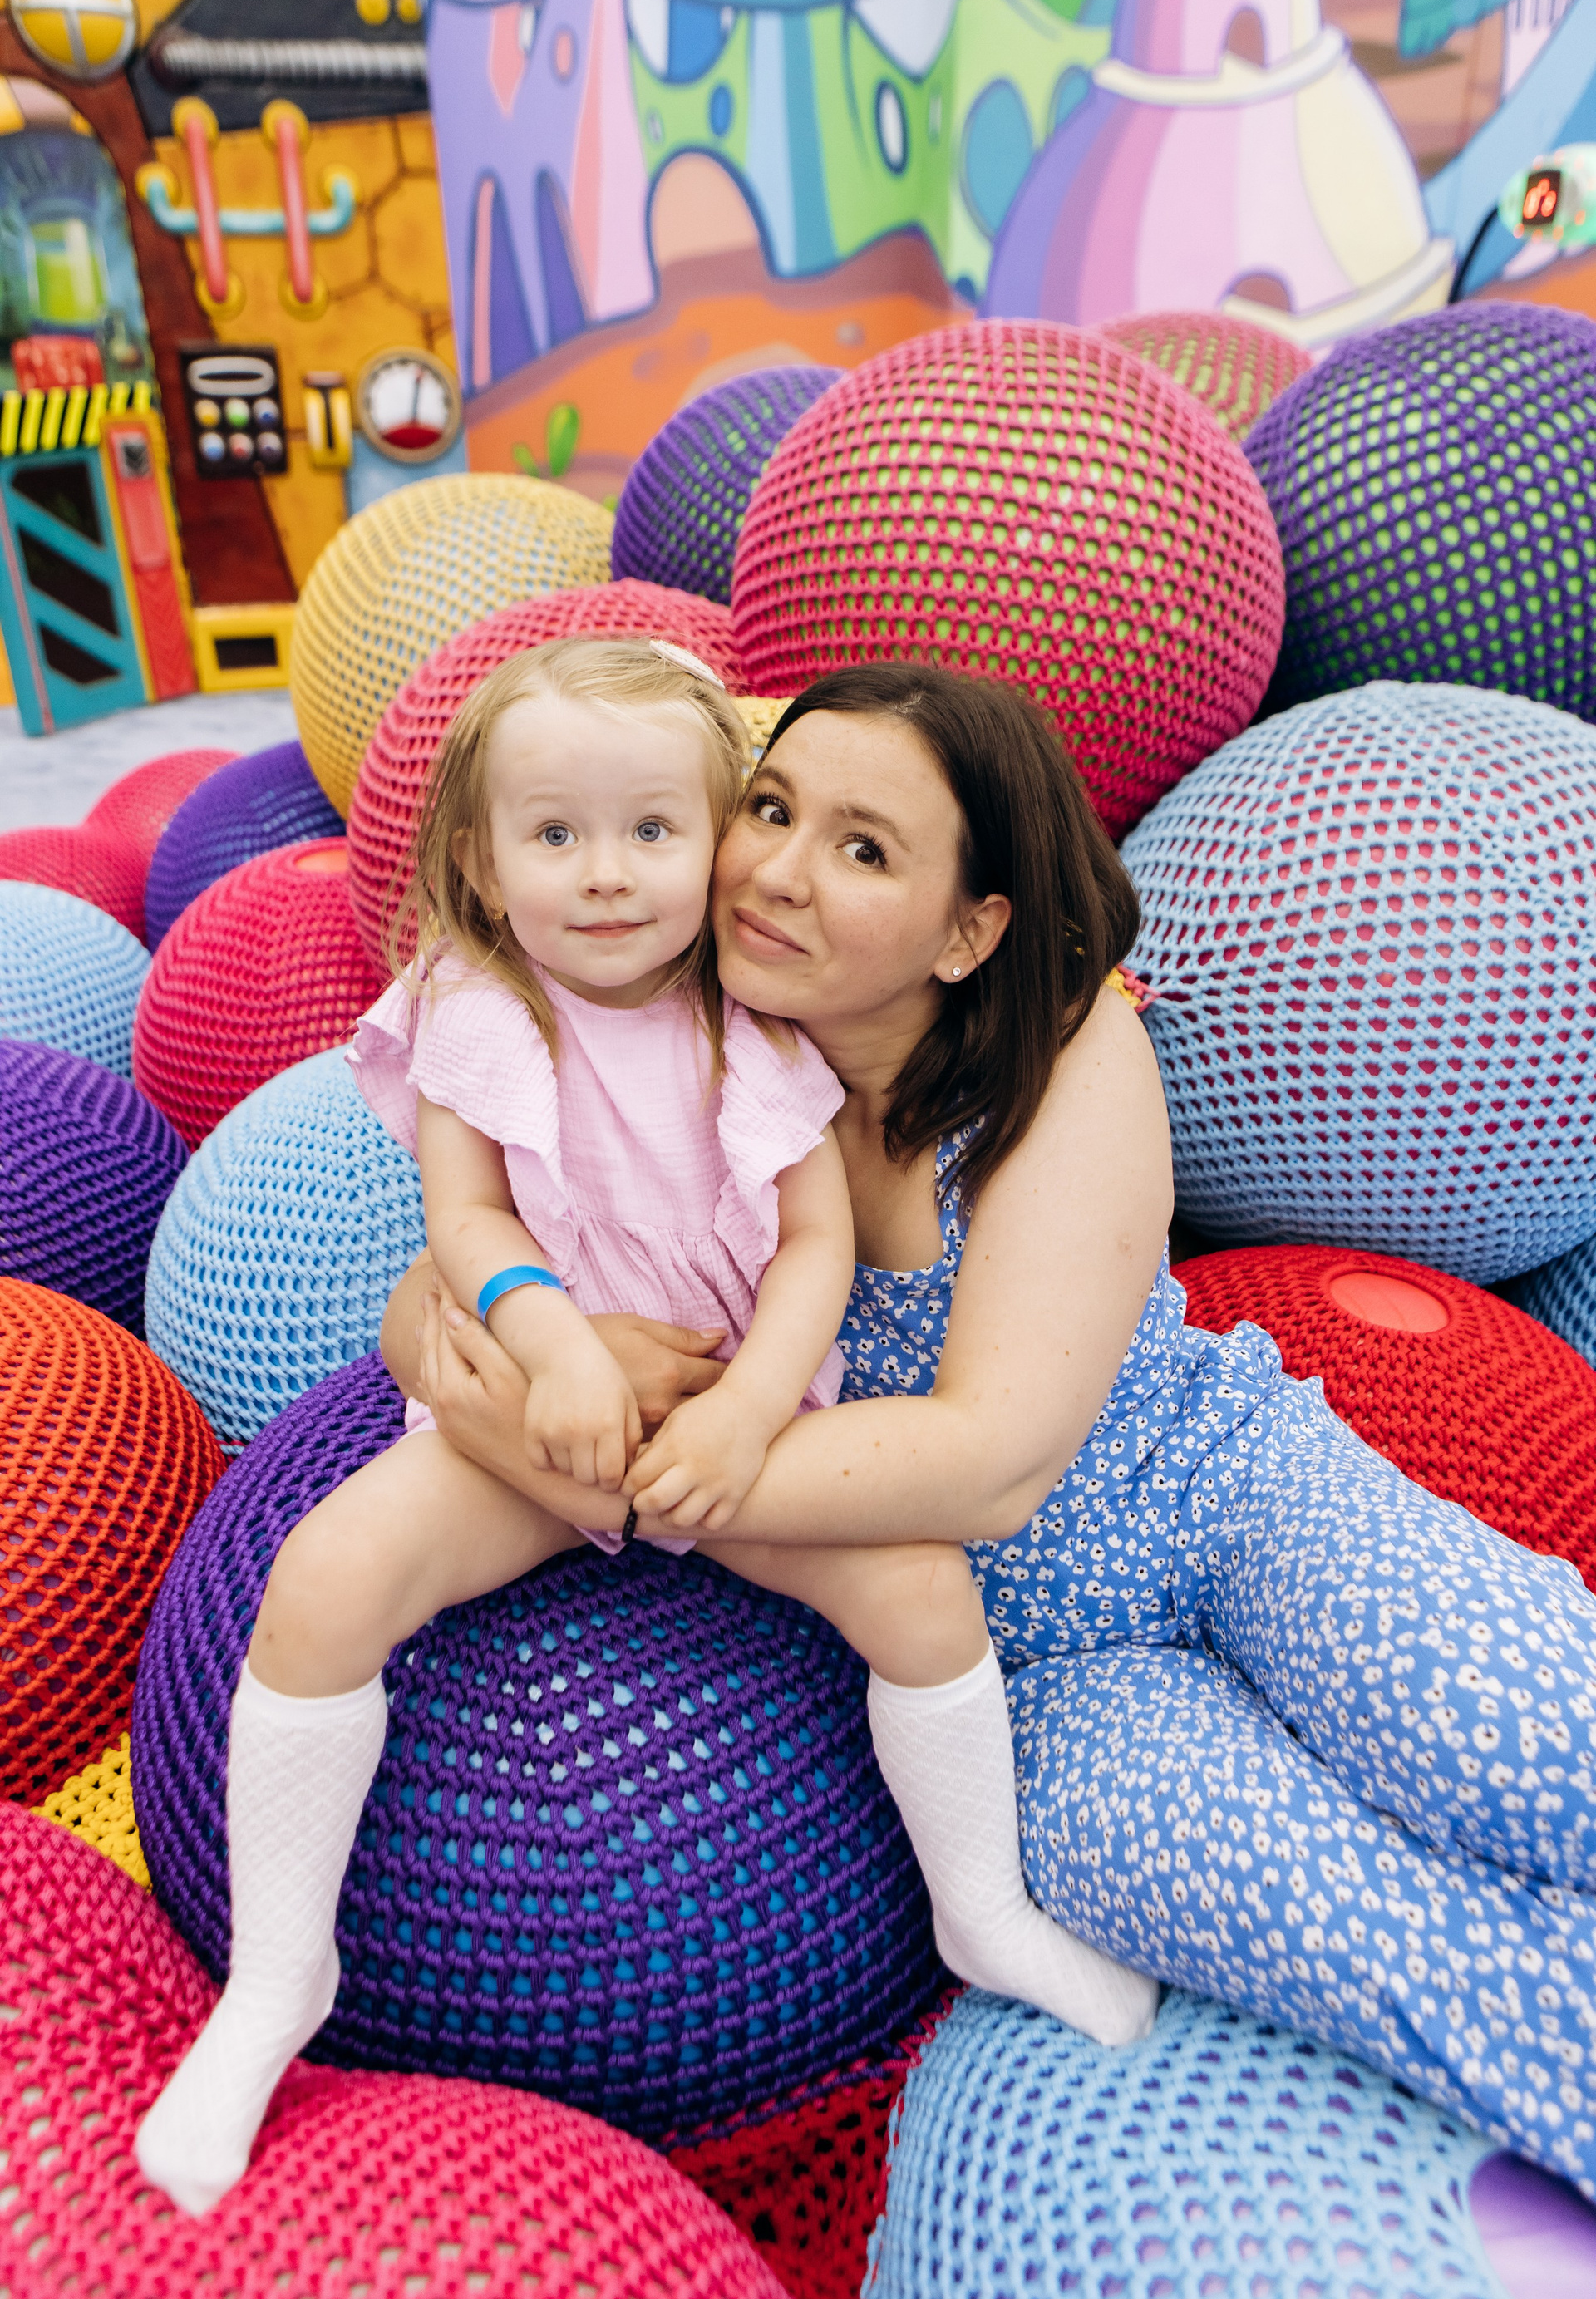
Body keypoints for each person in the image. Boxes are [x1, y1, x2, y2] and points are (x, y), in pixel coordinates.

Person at [392, 661, 1596, 2200]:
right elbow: (440, 1276)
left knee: (1524, 1738)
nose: (777, 871)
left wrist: (597, 1466)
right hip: (1029, 1671)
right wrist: (497, 1355)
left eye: (864, 848)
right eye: (772, 808)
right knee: (1356, 1928)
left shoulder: (1063, 1049)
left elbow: (994, 1457)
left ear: (970, 932)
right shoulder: (659, 1025)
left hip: (1220, 1494)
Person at [135, 640, 1152, 2219]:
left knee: (924, 1594)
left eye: (655, 832)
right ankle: (277, 1979)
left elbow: (814, 1245)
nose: (607, 876)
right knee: (326, 1579)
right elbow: (466, 1221)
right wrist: (552, 1347)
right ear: (484, 861)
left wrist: (747, 1410)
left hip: (738, 1420)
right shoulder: (477, 1011)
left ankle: (982, 1910)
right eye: (555, 836)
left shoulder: (754, 1021)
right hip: (542, 1410)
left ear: (708, 840)